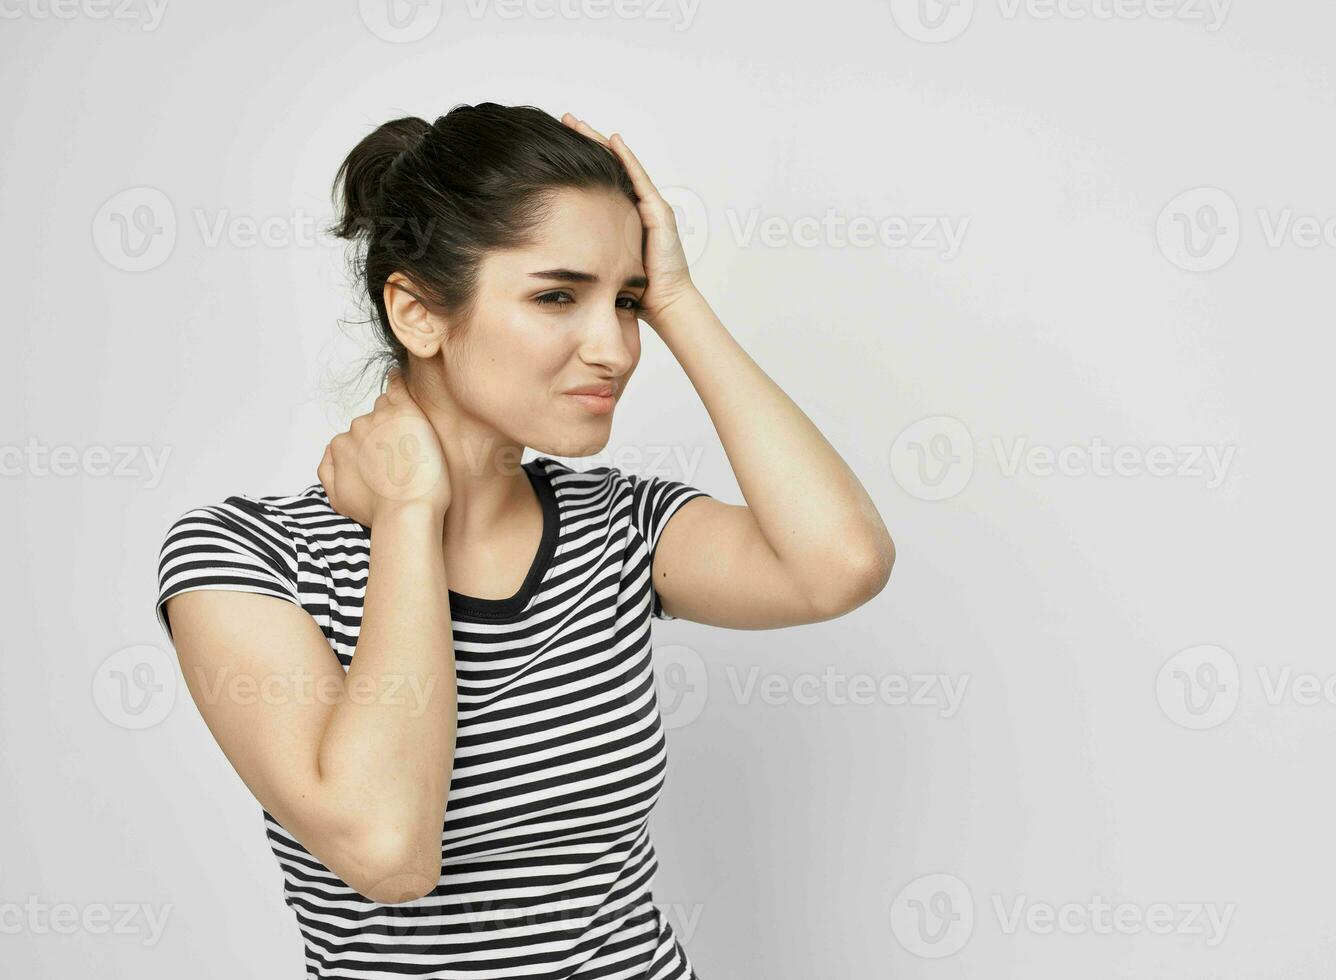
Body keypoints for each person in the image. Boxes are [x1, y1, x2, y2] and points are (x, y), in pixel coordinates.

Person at [154, 101, 895, 979]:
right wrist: (405, 518)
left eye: (625, 302)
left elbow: (840, 565)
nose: (615, 348)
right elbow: (389, 853)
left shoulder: (622, 528)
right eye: (556, 296)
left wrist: (680, 299)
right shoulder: (243, 560)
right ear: (418, 313)